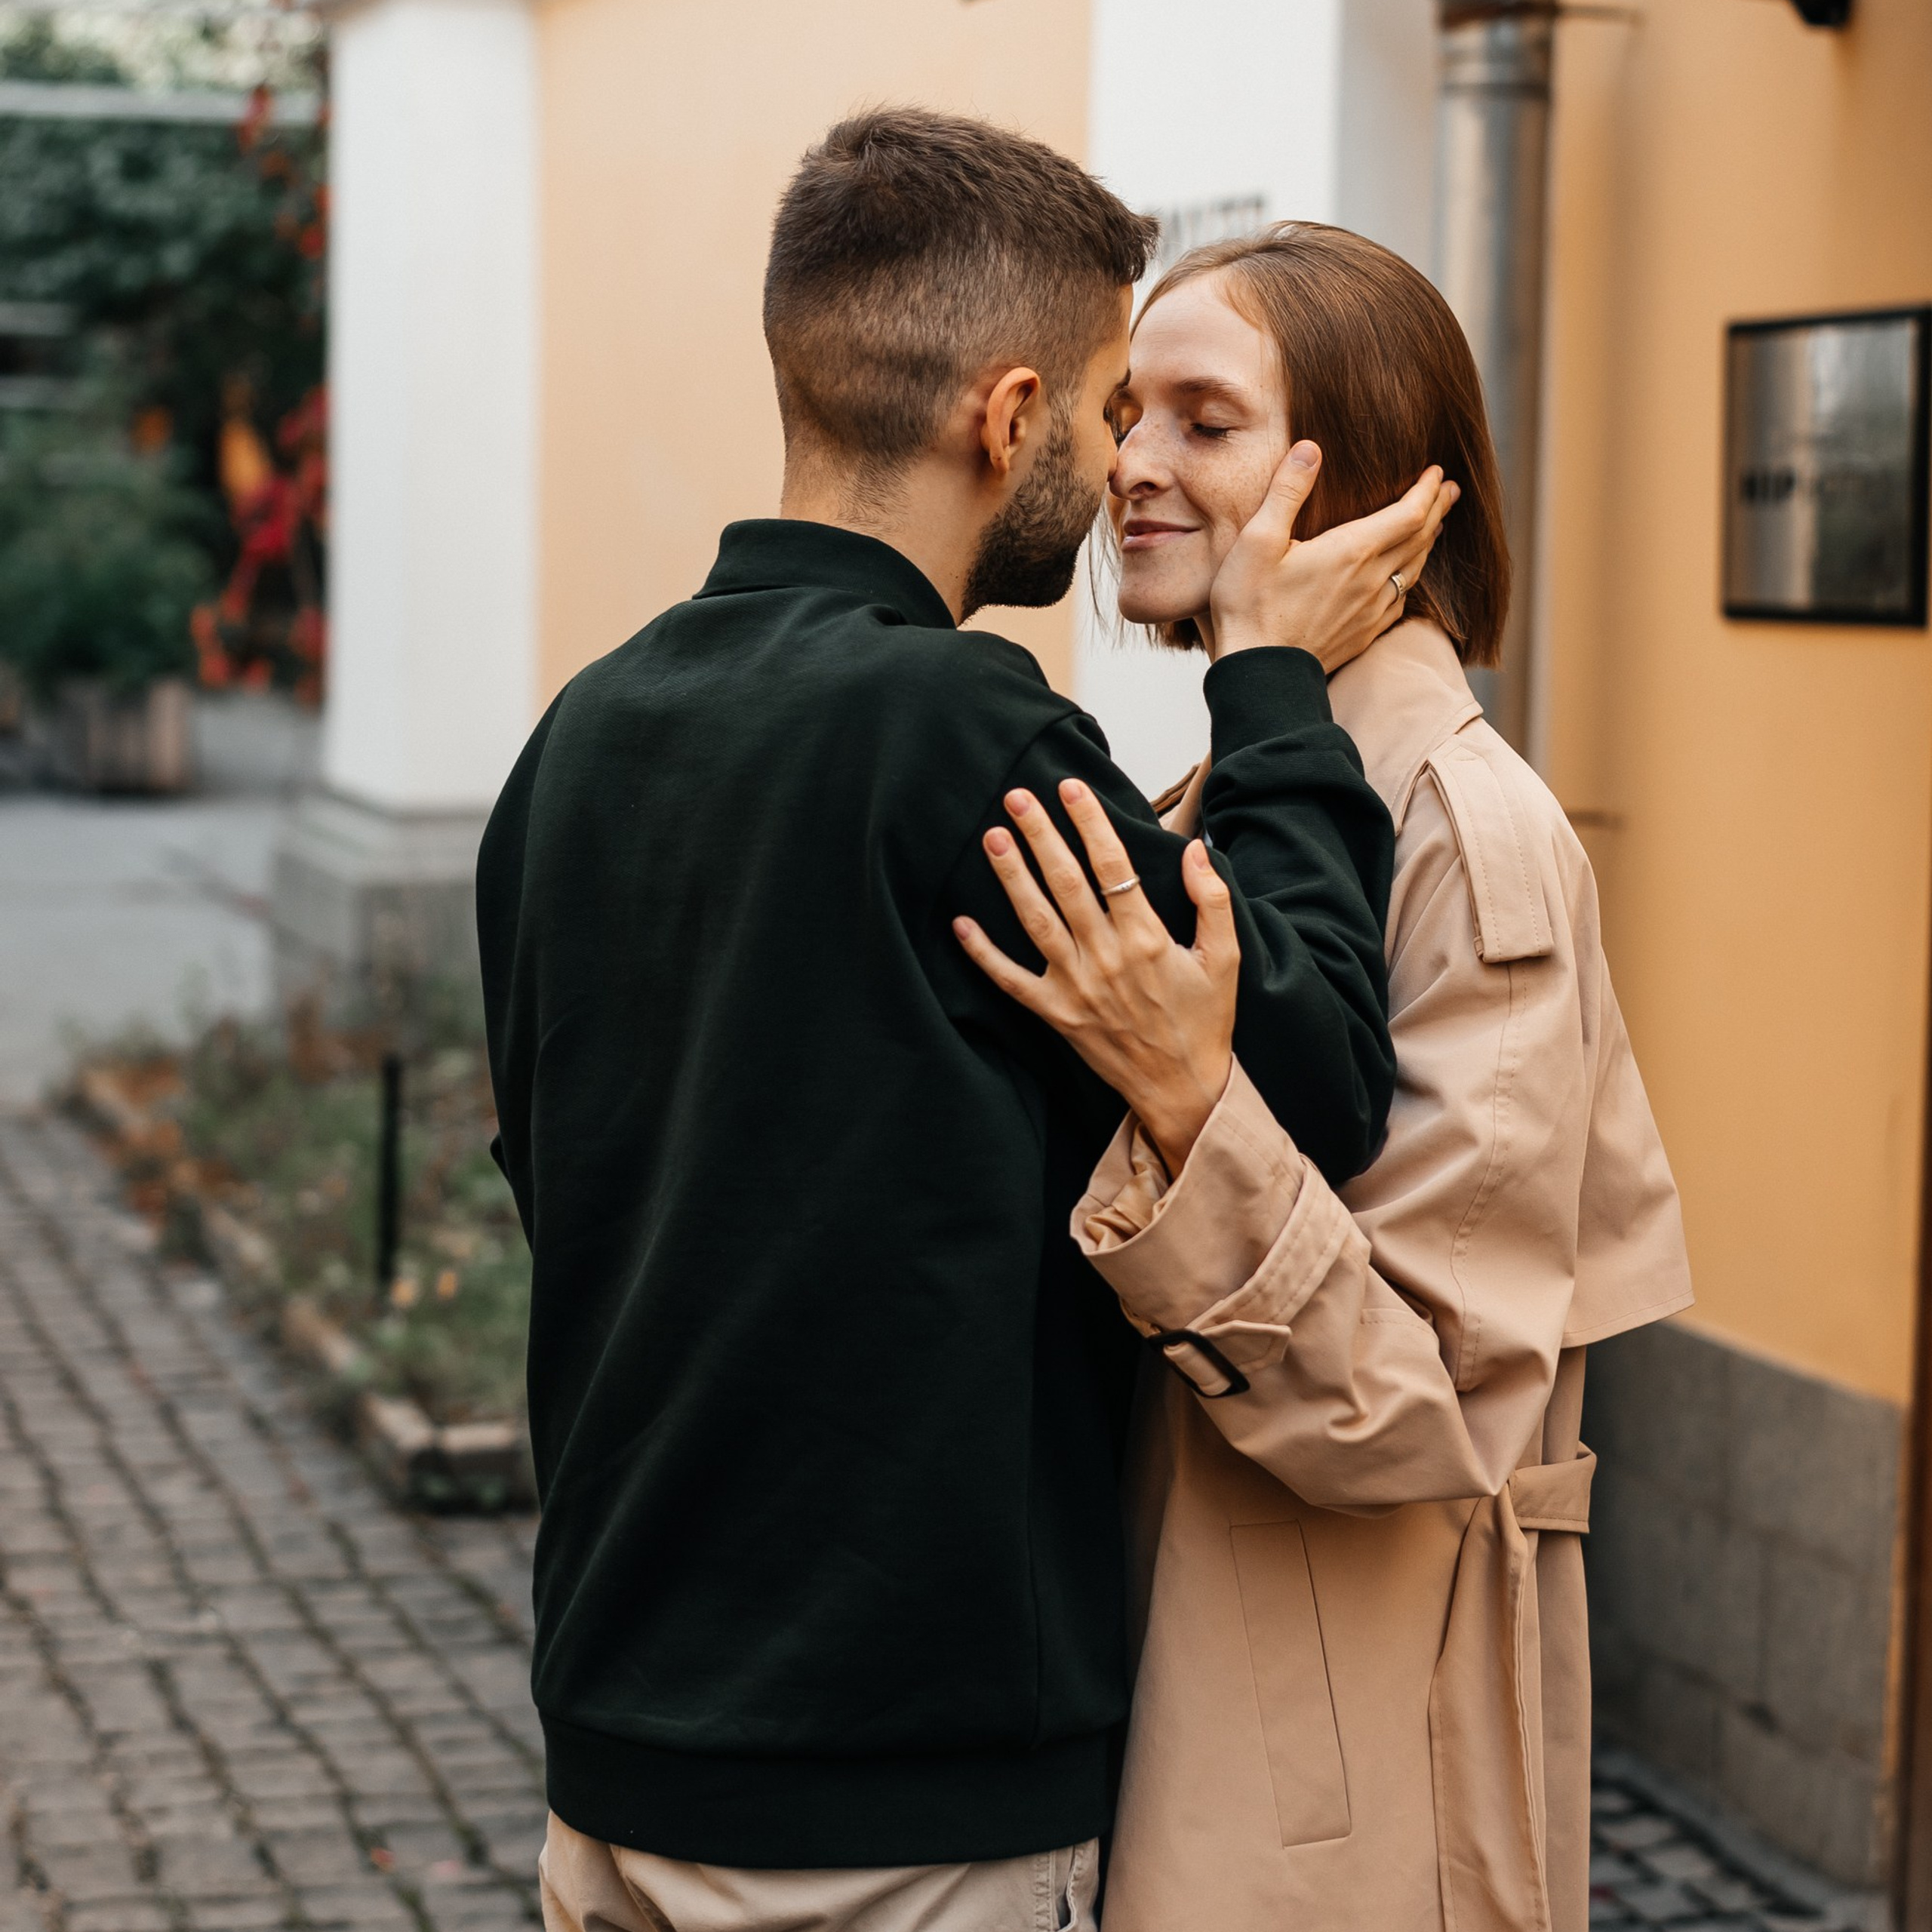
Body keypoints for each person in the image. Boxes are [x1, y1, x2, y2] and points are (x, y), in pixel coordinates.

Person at [478, 121, 1454, 1932]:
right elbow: (1305, 1083)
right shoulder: (963, 737)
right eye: (1102, 414)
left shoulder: (577, 738)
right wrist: (1267, 680)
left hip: (610, 1759)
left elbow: (568, 1180)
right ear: (1003, 418)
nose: (1121, 468)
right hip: (892, 1799)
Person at [955, 223, 1694, 1932]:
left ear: (1369, 489)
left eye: (1201, 423)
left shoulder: (1463, 832)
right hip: (1190, 1691)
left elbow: (1417, 1405)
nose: (1128, 461)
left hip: (1340, 1793)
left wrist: (1187, 1104)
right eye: (1130, 411)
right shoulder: (1239, 785)